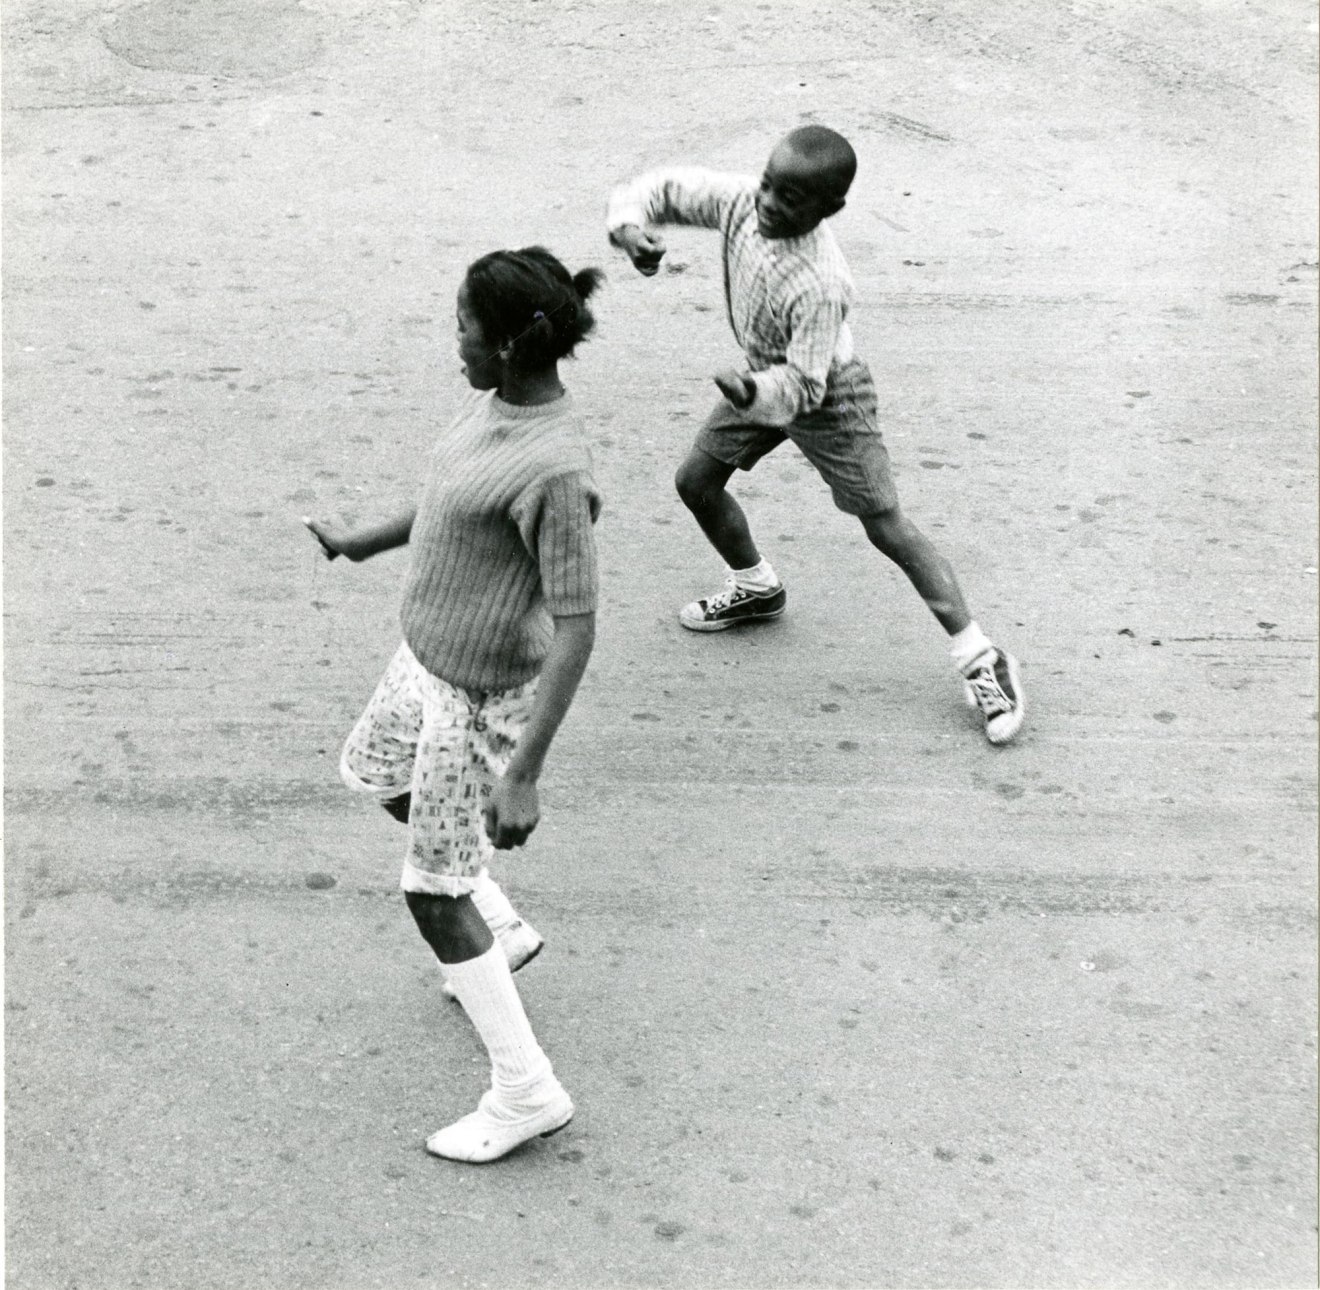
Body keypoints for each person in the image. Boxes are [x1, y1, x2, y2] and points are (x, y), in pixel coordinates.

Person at [305, 246, 604, 1162]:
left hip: (478, 702)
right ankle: (500, 925)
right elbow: (448, 502)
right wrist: (364, 541)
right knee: (380, 774)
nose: (456, 343)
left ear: (513, 341)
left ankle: (526, 1090)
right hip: (425, 669)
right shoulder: (497, 407)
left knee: (431, 895)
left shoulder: (553, 470)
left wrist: (523, 775)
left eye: (465, 327)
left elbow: (579, 626)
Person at [606, 125, 1025, 744]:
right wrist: (629, 227)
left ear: (830, 210)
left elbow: (803, 388)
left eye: (791, 201)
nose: (770, 205)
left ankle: (982, 659)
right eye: (770, 186)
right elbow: (663, 189)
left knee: (886, 526)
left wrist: (755, 394)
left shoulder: (822, 282)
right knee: (696, 483)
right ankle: (756, 588)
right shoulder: (741, 200)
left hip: (825, 391)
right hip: (761, 379)